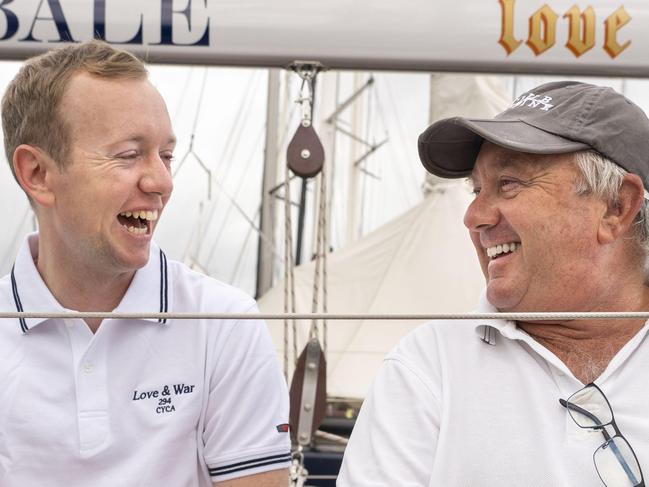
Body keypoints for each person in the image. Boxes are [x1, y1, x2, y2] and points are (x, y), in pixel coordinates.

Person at [0, 40, 290, 487]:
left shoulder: (225, 322)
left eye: (166, 155)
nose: (162, 182)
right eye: (129, 154)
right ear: (37, 174)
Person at [338, 81, 649, 486]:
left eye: (509, 184)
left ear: (616, 207)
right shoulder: (428, 367)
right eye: (477, 189)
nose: (474, 216)